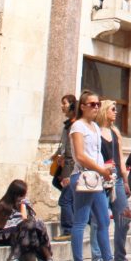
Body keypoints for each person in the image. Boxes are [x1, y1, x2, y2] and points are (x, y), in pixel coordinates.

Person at [70, 91, 128, 261]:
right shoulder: (77, 126)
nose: (96, 107)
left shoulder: (94, 127)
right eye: (92, 104)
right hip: (83, 176)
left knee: (103, 220)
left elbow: (97, 153)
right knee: (80, 222)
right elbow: (80, 155)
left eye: (97, 104)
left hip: (97, 178)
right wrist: (101, 169)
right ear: (83, 106)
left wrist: (105, 170)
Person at [91, 100, 131, 261]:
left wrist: (125, 179)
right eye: (113, 109)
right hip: (100, 177)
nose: (116, 112)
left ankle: (120, 256)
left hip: (116, 179)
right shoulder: (95, 131)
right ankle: (98, 258)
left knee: (124, 216)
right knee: (98, 220)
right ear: (105, 111)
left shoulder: (115, 132)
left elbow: (121, 158)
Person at [0, 179, 54, 261]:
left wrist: (25, 208)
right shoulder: (3, 205)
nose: (23, 197)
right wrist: (20, 222)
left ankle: (47, 258)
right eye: (22, 195)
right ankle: (12, 260)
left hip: (22, 233)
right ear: (15, 194)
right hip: (3, 235)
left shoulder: (21, 204)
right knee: (28, 225)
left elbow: (29, 219)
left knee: (38, 224)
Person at [53, 94, 77, 240]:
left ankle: (68, 229)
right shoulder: (68, 125)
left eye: (64, 103)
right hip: (68, 164)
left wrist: (67, 173)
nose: (62, 106)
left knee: (65, 200)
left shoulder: (74, 125)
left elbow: (70, 152)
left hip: (71, 167)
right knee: (57, 183)